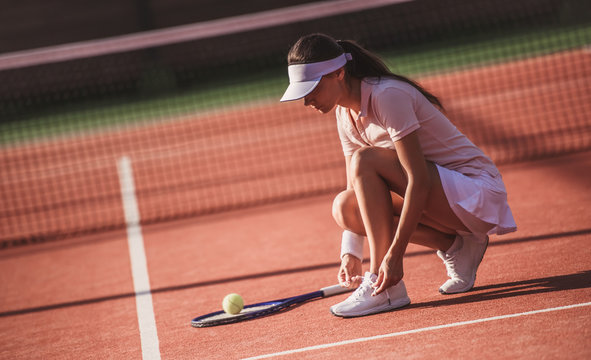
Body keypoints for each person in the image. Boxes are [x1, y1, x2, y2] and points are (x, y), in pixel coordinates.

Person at [280, 33, 517, 318]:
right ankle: (456, 248)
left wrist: (393, 256)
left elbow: (418, 179)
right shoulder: (344, 113)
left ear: (339, 73)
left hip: (477, 194)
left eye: (312, 88)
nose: (307, 101)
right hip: (443, 199)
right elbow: (354, 189)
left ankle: (385, 288)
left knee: (365, 160)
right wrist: (350, 254)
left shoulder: (387, 95)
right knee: (346, 207)